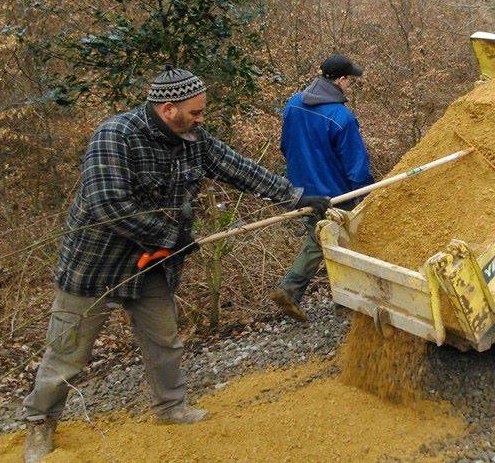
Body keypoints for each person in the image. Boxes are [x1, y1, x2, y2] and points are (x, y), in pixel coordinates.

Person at [21, 66, 330, 462]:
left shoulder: (193, 140)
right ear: (169, 109)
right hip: (94, 266)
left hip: (151, 265)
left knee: (164, 341)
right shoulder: (115, 136)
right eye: (196, 112)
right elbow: (108, 206)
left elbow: (239, 168)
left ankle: (171, 409)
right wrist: (172, 238)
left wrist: (298, 197)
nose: (202, 120)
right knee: (68, 351)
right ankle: (40, 422)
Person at [269, 55, 374, 321]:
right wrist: (365, 194)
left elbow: (285, 146)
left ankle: (291, 290)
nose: (350, 85)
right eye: (350, 80)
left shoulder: (293, 104)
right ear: (340, 80)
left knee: (319, 240)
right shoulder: (341, 117)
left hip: (302, 192)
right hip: (338, 195)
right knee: (347, 245)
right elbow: (356, 165)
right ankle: (345, 303)